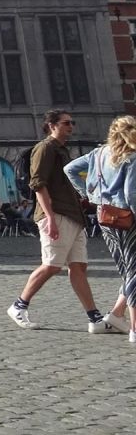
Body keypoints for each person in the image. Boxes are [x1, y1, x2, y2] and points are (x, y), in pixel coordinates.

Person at [8, 110, 118, 332]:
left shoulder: (62, 150)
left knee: (78, 267)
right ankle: (18, 306)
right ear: (51, 125)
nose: (71, 126)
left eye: (72, 122)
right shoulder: (45, 148)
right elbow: (38, 184)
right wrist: (49, 217)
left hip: (73, 215)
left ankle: (94, 318)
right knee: (51, 265)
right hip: (56, 213)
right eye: (66, 123)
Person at [64, 115, 136, 343]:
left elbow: (70, 169)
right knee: (133, 272)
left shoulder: (98, 154)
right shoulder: (132, 158)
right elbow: (131, 195)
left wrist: (90, 194)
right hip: (129, 218)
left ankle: (116, 315)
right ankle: (134, 328)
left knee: (128, 270)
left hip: (105, 217)